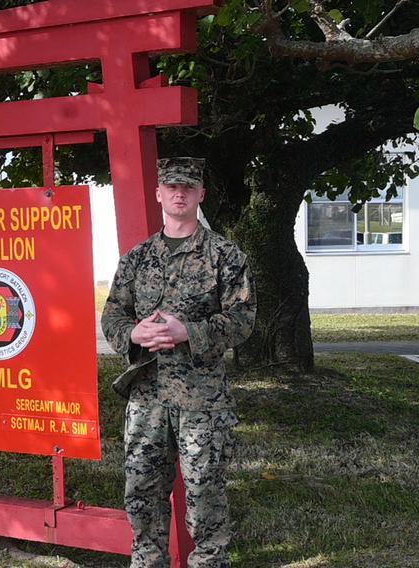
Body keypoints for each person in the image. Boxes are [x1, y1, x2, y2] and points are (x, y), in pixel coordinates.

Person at [101, 158, 256, 567]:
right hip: (147, 397)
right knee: (142, 491)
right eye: (171, 186)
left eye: (188, 187)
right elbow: (113, 314)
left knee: (205, 494)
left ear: (201, 194)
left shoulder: (225, 255)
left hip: (202, 399)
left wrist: (189, 332)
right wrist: (133, 334)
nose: (179, 193)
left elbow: (243, 320)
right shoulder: (137, 259)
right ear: (159, 194)